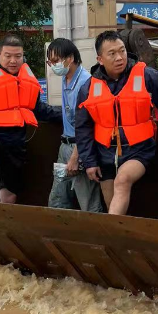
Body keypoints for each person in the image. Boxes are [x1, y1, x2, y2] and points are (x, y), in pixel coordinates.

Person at [75, 30, 158, 216]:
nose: (119, 57)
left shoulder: (147, 76)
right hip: (104, 154)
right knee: (110, 201)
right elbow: (83, 128)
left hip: (139, 150)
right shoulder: (88, 88)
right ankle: (117, 241)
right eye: (112, 54)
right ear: (100, 59)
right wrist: (89, 162)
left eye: (121, 51)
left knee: (122, 180)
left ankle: (111, 235)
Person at [0, 33, 62, 204]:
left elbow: (39, 109)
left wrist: (68, 115)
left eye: (18, 56)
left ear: (23, 56)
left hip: (16, 141)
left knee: (9, 195)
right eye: (8, 56)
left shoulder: (26, 77)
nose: (13, 61)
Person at [46, 38, 103, 212]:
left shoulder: (85, 83)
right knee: (57, 200)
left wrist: (76, 157)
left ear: (69, 58)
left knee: (89, 203)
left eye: (56, 61)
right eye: (50, 62)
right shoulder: (66, 78)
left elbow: (88, 124)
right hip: (65, 146)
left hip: (80, 149)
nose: (53, 66)